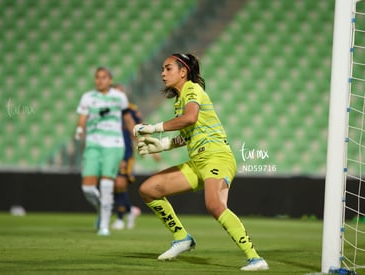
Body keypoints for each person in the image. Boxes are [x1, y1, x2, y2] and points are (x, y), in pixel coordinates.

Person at [133, 53, 269, 271]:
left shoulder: (192, 89)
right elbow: (189, 133)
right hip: (197, 161)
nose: (162, 73)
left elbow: (190, 118)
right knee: (149, 189)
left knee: (214, 205)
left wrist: (154, 128)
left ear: (183, 71)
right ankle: (182, 238)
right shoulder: (180, 100)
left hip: (217, 156)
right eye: (162, 69)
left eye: (168, 69)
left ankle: (255, 258)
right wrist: (163, 145)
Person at [75, 67, 135, 236]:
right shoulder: (88, 97)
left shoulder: (119, 97)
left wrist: (137, 136)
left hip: (114, 144)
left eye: (103, 77)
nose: (100, 80)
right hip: (93, 143)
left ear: (110, 79)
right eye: (97, 77)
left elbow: (128, 118)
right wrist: (80, 128)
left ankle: (104, 226)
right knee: (87, 188)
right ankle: (102, 207)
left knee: (107, 184)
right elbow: (82, 117)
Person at [110, 83, 143, 230]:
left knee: (119, 183)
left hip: (125, 152)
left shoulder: (130, 110)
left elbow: (136, 129)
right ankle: (129, 210)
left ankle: (119, 218)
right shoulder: (107, 111)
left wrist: (144, 145)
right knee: (112, 186)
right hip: (109, 150)